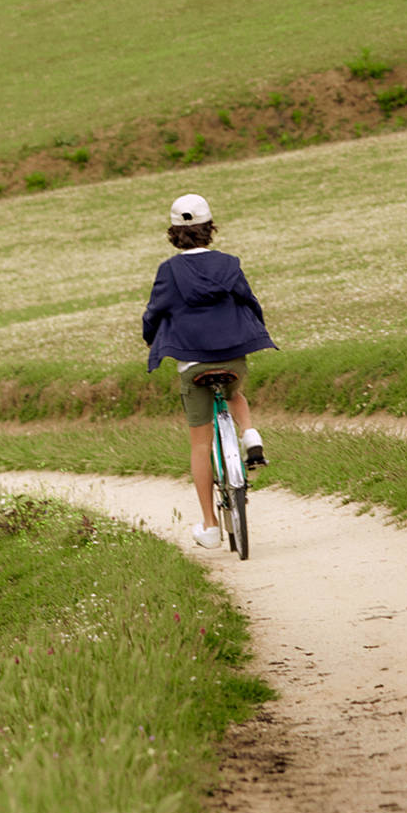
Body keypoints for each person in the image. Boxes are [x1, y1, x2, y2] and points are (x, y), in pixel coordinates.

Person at [142, 191, 277, 548]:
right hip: (233, 354)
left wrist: (150, 338)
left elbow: (154, 314)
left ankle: (210, 525)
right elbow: (249, 301)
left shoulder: (169, 272)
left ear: (174, 233)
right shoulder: (229, 264)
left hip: (193, 361)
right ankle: (249, 434)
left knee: (200, 444)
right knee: (234, 393)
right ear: (209, 228)